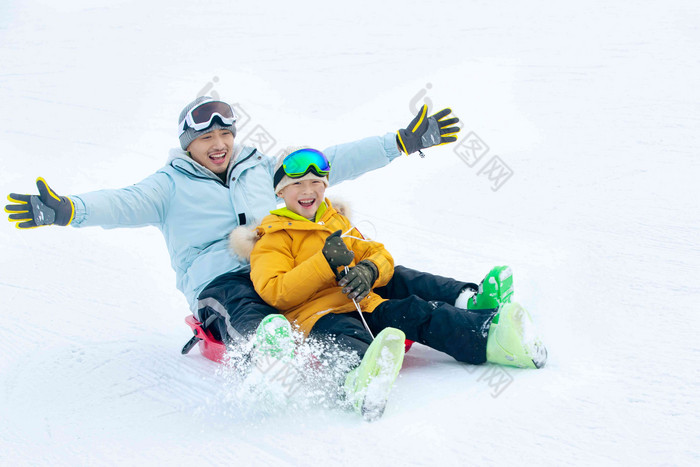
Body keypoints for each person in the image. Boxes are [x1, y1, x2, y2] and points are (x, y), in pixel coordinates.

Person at [5, 96, 472, 351]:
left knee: (369, 269)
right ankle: (268, 355)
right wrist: (67, 209)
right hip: (221, 277)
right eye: (206, 136)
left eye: (224, 134)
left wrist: (401, 142)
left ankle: (463, 297)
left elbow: (333, 161)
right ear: (188, 144)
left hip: (285, 265)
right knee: (248, 309)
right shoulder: (168, 186)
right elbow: (122, 203)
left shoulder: (258, 168)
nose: (218, 143)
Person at [233, 147, 547, 420]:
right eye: (297, 183)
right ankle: (359, 381)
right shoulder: (271, 239)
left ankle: (491, 337)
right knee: (345, 337)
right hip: (317, 319)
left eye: (316, 182)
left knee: (417, 311)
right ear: (280, 192)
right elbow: (276, 292)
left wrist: (369, 270)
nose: (308, 190)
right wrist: (323, 263)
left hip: (364, 302)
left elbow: (379, 253)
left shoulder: (335, 221)